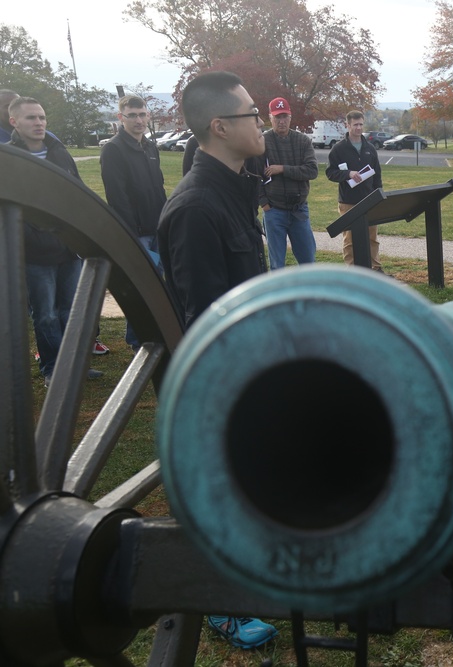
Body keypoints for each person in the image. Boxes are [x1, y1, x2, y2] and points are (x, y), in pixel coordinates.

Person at [156, 72, 276, 649]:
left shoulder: (233, 188)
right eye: (252, 114)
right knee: (224, 492)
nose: (264, 123)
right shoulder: (196, 207)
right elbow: (201, 319)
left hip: (255, 369)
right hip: (224, 382)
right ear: (219, 127)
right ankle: (222, 606)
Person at [9, 97, 103, 387]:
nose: (38, 123)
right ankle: (52, 368)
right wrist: (32, 237)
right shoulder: (10, 158)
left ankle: (75, 365)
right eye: (31, 118)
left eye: (41, 117)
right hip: (36, 252)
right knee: (46, 314)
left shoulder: (59, 153)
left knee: (70, 311)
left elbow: (78, 193)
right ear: (14, 122)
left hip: (68, 246)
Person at [101, 95, 168, 352]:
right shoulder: (114, 149)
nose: (139, 120)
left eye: (142, 114)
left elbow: (158, 188)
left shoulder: (150, 147)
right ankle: (137, 340)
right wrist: (131, 235)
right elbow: (117, 197)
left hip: (157, 227)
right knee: (140, 287)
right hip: (136, 232)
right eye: (132, 115)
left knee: (160, 285)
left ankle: (158, 332)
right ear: (121, 118)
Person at [258, 97, 318, 269]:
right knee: (277, 264)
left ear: (290, 117)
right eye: (277, 117)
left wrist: (282, 169)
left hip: (299, 209)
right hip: (274, 210)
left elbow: (312, 171)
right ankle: (280, 296)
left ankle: (309, 295)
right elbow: (254, 175)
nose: (281, 121)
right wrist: (264, 203)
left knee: (308, 261)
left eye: (285, 117)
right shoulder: (263, 141)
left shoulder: (302, 141)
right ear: (270, 118)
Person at [326, 110, 383, 270]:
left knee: (372, 237)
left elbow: (377, 175)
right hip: (348, 201)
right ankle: (352, 270)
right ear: (348, 125)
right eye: (355, 125)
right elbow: (330, 173)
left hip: (369, 200)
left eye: (361, 125)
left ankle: (375, 268)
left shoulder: (370, 148)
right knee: (349, 238)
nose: (359, 128)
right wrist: (347, 174)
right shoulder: (338, 149)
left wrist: (379, 195)